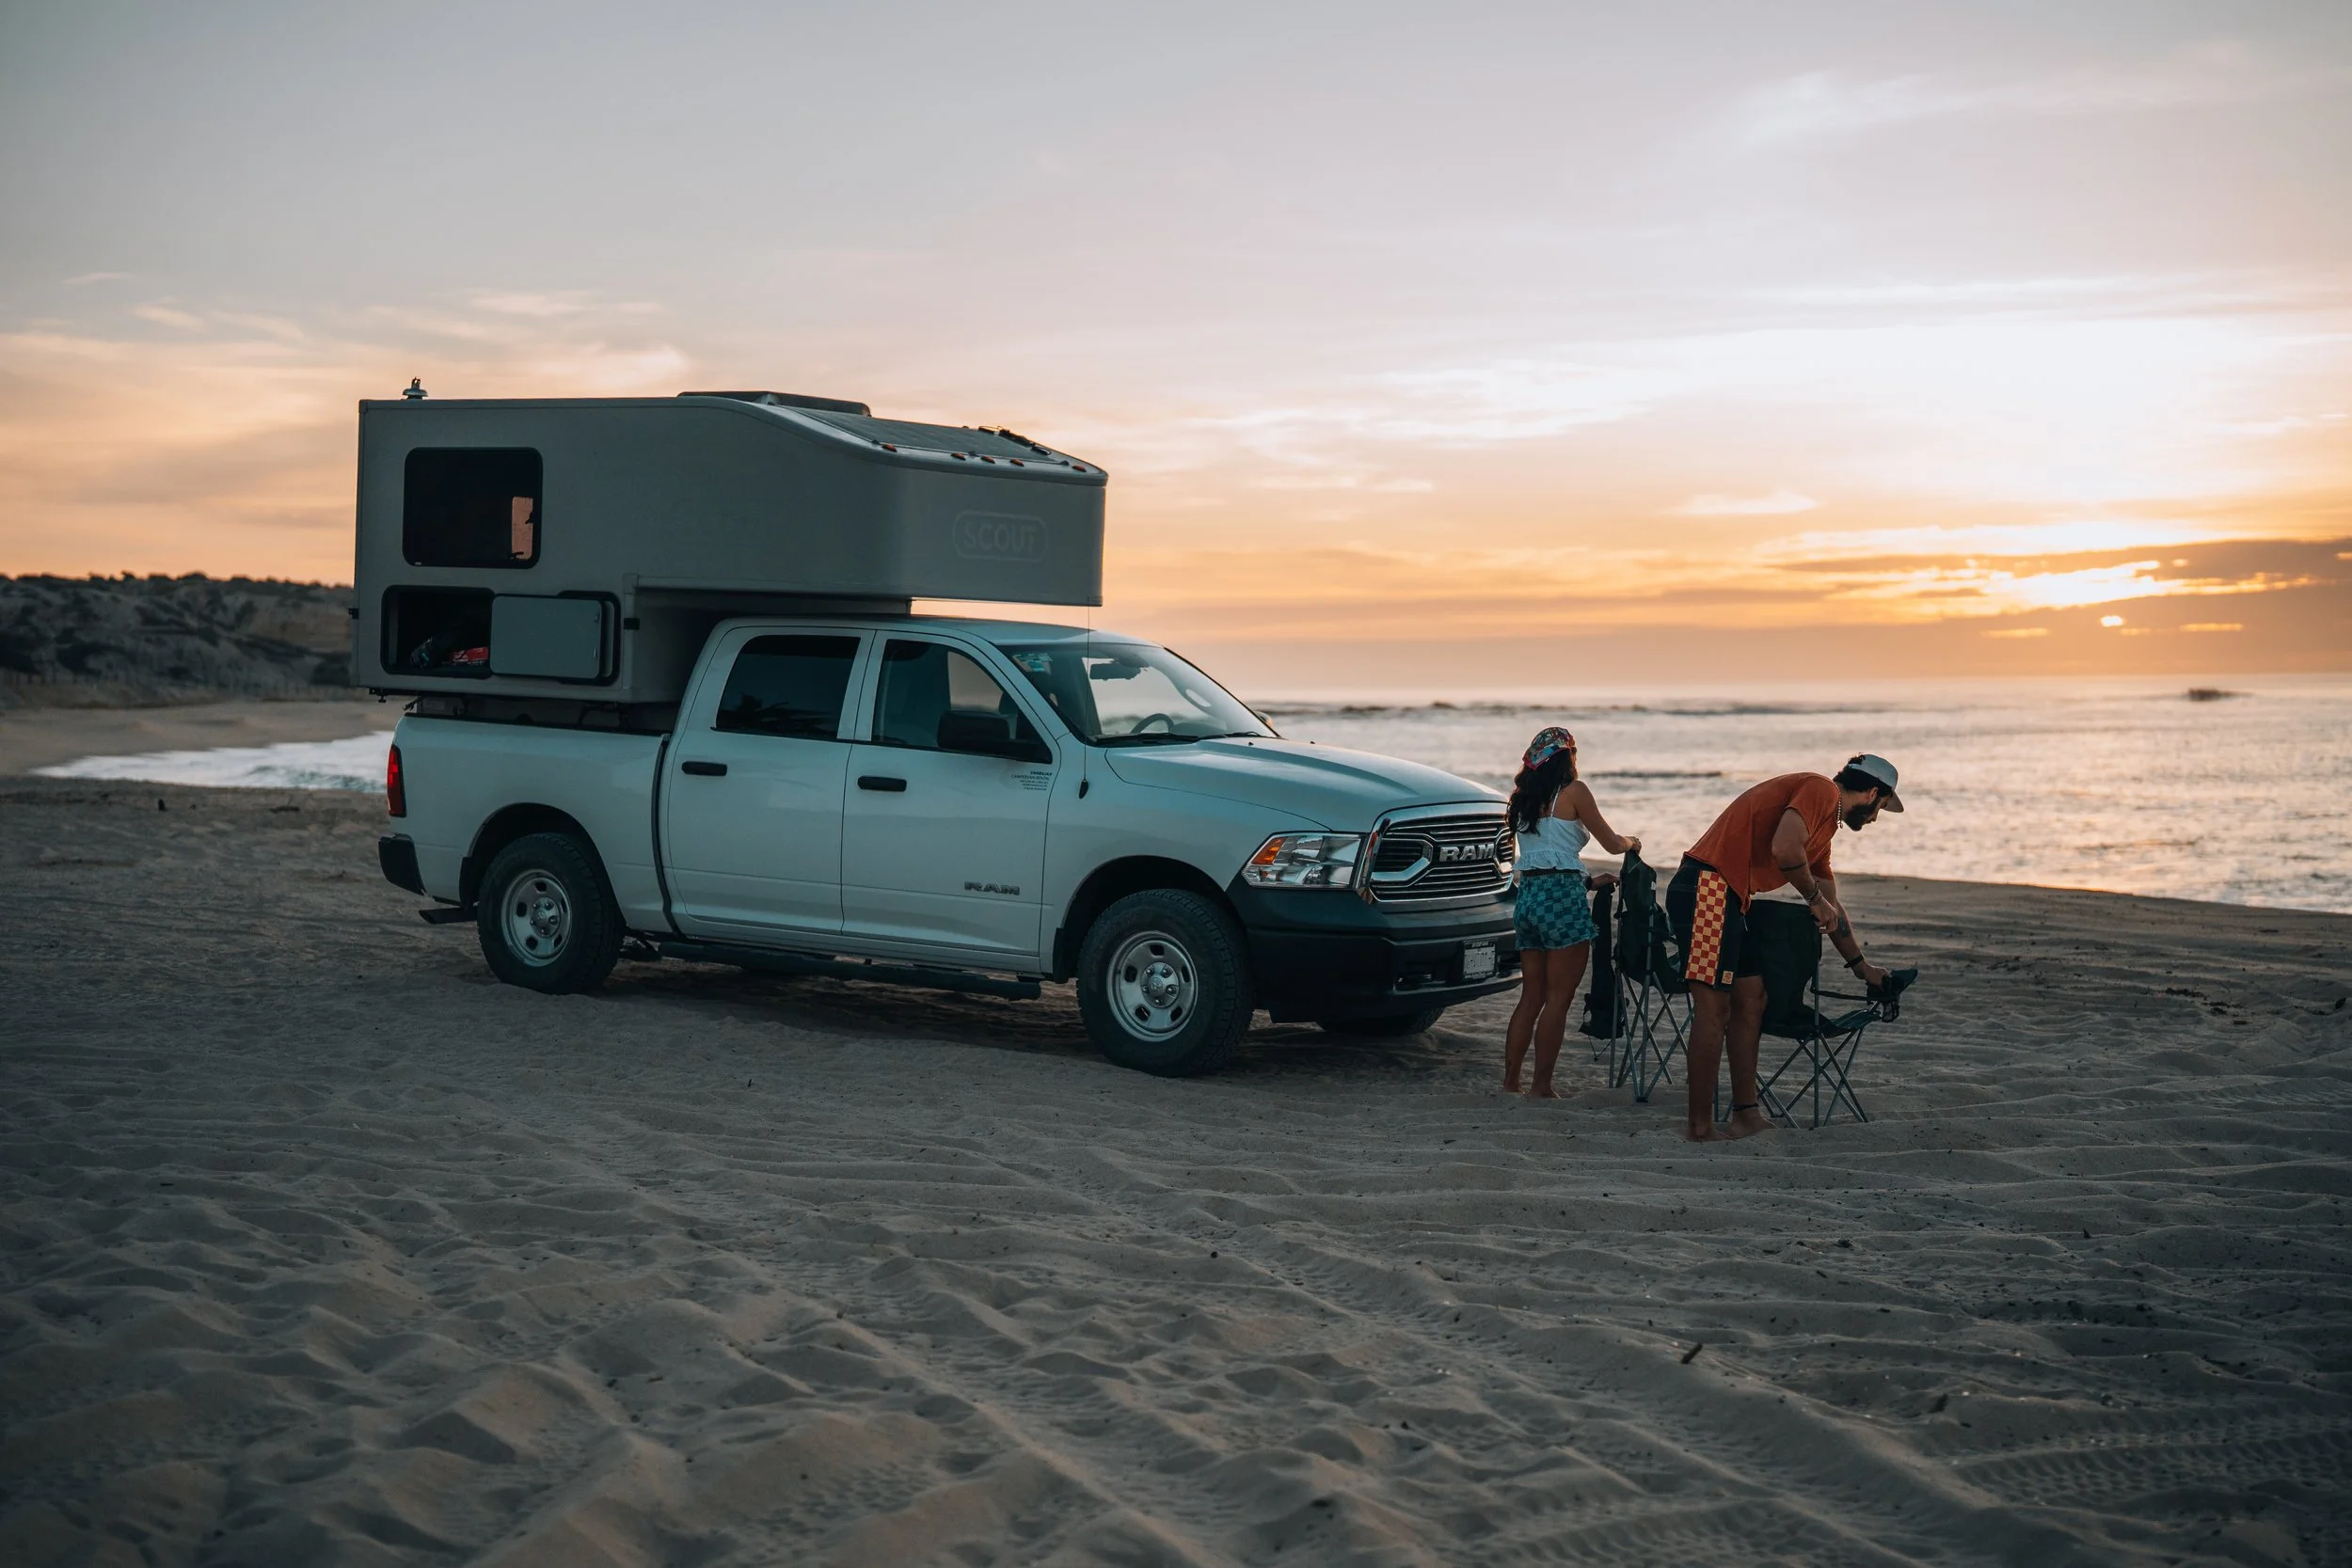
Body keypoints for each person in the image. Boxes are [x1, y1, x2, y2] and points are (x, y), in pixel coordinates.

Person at [1665, 754, 1901, 1141]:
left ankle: (1745, 1114)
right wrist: (1813, 899)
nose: (1876, 818)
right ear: (1874, 793)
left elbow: (1832, 908)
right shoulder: (1821, 790)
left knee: (1751, 998)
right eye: (1881, 809)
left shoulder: (1823, 832)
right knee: (1713, 1010)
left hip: (1731, 900)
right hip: (1705, 888)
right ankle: (1700, 1126)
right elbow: (1785, 849)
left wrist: (1862, 967)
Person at [1502, 727, 1641, 1099]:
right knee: (1559, 999)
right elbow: (1612, 844)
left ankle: (1510, 1083)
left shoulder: (1522, 800)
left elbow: (1545, 859)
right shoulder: (1574, 792)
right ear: (1567, 758)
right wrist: (1633, 842)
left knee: (1531, 998)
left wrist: (1589, 882)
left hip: (1528, 899)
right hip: (1562, 902)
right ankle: (1542, 1087)